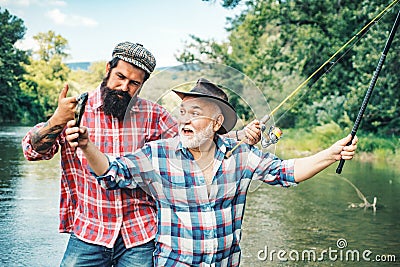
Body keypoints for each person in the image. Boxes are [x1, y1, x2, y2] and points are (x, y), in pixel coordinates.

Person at [65, 78, 358, 266]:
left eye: (195, 113)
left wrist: (330, 154)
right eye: (183, 112)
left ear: (217, 123)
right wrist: (88, 146)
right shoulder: (158, 154)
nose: (184, 121)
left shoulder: (241, 155)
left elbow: (286, 171)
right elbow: (112, 173)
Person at [21, 42, 261, 266]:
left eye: (134, 83)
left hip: (140, 234)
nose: (125, 87)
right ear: (108, 69)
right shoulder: (76, 110)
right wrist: (56, 121)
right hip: (89, 231)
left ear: (142, 84)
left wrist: (239, 137)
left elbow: (194, 144)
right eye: (120, 77)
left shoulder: (154, 115)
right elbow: (32, 151)